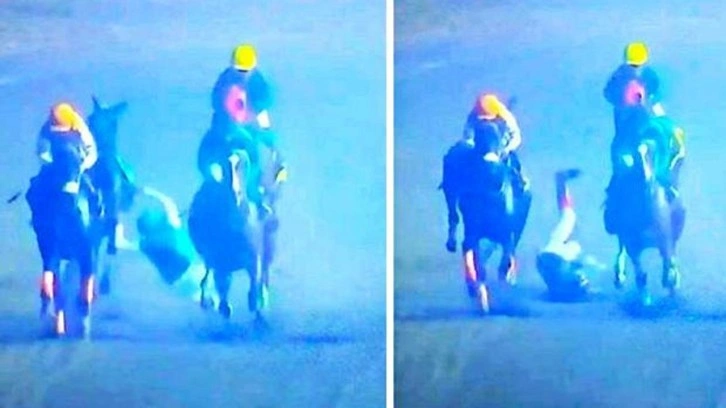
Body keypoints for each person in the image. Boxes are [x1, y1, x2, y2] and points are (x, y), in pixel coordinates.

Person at [28, 102, 99, 336]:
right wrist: (73, 168)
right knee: (87, 252)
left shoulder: (51, 130)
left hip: (66, 173)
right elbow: (92, 153)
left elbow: (43, 153)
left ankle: (51, 299)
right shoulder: (67, 129)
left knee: (35, 192)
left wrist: (77, 166)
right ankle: (85, 300)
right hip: (69, 180)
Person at [199, 43, 287, 214]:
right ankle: (213, 183)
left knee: (263, 157)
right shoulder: (225, 80)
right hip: (228, 124)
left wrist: (265, 134)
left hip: (252, 125)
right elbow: (217, 102)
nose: (242, 75)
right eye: (239, 71)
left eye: (245, 71)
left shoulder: (258, 83)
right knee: (211, 150)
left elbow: (263, 106)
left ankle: (261, 198)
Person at [537, 169, 605, 300]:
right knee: (569, 220)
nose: (583, 278)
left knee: (569, 217)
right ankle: (561, 182)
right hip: (546, 262)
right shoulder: (561, 282)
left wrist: (598, 267)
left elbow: (582, 264)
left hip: (553, 257)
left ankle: (560, 181)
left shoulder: (568, 269)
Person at [462, 92, 528, 192]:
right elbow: (467, 134)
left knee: (513, 161)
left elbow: (516, 136)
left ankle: (520, 181)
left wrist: (507, 149)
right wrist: (471, 144)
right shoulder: (473, 115)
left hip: (501, 144)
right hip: (479, 145)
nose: (486, 122)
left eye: (489, 119)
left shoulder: (506, 116)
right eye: (483, 119)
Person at [603, 41, 666, 137]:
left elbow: (608, 92)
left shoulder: (619, 75)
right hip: (633, 116)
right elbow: (655, 97)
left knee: (624, 137)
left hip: (628, 116)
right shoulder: (646, 74)